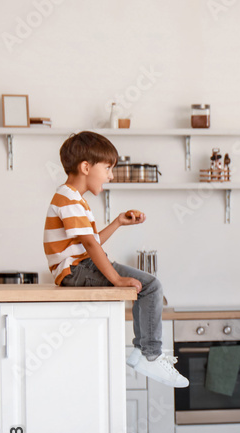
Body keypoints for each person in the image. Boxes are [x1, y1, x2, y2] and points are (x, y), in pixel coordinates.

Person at [44, 131, 188, 388]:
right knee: (151, 286)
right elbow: (89, 245)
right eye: (108, 168)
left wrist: (118, 222)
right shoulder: (68, 198)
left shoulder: (73, 199)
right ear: (86, 167)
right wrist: (117, 278)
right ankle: (150, 354)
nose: (111, 175)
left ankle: (141, 351)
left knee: (147, 286)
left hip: (78, 266)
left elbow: (91, 241)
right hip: (76, 270)